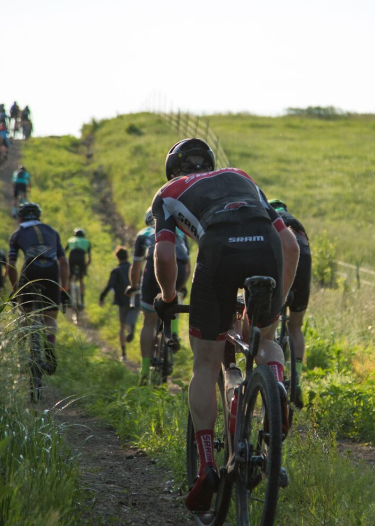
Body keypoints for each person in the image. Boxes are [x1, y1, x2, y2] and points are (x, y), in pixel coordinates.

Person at [150, 138, 299, 513]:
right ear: (211, 164)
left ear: (174, 170)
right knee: (263, 339)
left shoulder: (168, 192)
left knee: (204, 362)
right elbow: (291, 246)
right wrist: (275, 305)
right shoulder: (241, 176)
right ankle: (275, 382)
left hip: (217, 248)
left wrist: (168, 298)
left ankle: (207, 467)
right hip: (265, 244)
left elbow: (165, 253)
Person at [7, 202, 68, 374]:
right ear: (39, 217)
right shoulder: (52, 231)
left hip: (31, 268)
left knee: (25, 314)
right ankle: (49, 343)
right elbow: (64, 262)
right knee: (50, 317)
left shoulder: (17, 234)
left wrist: (16, 290)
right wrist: (64, 289)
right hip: (52, 268)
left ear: (20, 217)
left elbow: (11, 264)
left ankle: (21, 357)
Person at [131, 207, 191, 383]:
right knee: (175, 295)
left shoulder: (143, 234)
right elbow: (187, 265)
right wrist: (183, 286)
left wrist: (133, 286)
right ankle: (174, 333)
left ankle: (143, 372)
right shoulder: (180, 232)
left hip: (153, 265)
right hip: (178, 266)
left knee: (148, 321)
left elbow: (135, 267)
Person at [268, 198, 312, 408]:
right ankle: (297, 379)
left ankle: (271, 374)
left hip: (277, 253)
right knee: (295, 326)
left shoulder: (268, 219)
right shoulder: (297, 224)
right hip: (302, 255)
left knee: (271, 316)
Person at [99, 246, 139, 360]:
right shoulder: (136, 269)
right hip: (136, 298)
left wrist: (102, 297)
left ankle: (123, 353)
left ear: (117, 257)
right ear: (127, 256)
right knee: (133, 315)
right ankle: (132, 327)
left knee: (122, 327)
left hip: (122, 301)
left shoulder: (116, 271)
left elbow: (110, 285)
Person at [65, 228, 92, 308]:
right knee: (81, 280)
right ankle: (82, 300)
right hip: (81, 259)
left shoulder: (70, 240)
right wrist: (85, 266)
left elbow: (64, 252)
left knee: (69, 279)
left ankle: (68, 298)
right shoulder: (87, 241)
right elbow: (89, 258)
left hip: (72, 258)